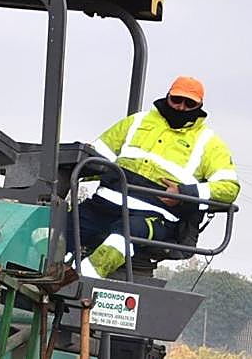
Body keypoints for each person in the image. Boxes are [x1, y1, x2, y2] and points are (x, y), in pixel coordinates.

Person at [73, 76, 240, 279]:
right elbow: (96, 156)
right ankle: (48, 275)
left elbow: (229, 188)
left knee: (125, 234)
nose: (181, 107)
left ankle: (79, 280)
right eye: (177, 100)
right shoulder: (137, 122)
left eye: (189, 103)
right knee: (58, 227)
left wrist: (184, 193)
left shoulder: (209, 143)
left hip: (153, 217)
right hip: (102, 206)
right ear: (168, 96)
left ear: (199, 107)